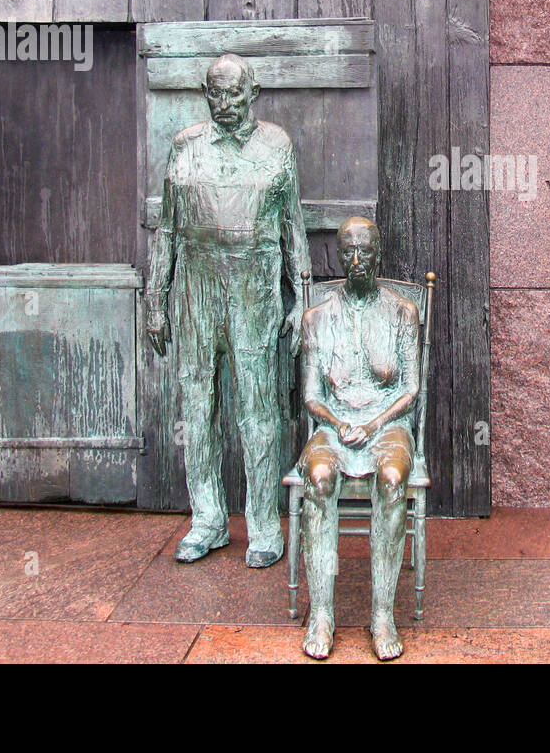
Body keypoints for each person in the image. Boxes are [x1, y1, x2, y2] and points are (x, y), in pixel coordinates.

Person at [145, 53, 310, 568]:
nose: (224, 104)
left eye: (234, 94)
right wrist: (156, 297)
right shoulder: (185, 145)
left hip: (255, 290)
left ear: (253, 92)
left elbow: (292, 226)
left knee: (260, 411)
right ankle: (208, 520)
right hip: (196, 287)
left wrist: (302, 295)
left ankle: (264, 524)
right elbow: (167, 228)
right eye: (215, 93)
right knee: (197, 409)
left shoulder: (276, 145)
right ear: (204, 91)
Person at [298, 216, 420, 660]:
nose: (356, 260)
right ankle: (322, 614)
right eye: (347, 251)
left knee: (391, 478)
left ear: (378, 252)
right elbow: (311, 394)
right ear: (338, 256)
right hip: (333, 424)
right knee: (320, 477)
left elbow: (410, 388)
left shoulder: (402, 312)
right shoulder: (317, 317)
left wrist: (372, 425)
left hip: (387, 425)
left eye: (364, 251)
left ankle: (383, 613)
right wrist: (338, 421)